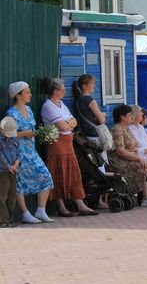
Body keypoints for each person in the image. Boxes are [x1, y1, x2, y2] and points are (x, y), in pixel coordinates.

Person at [40, 78, 98, 217]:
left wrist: (68, 123)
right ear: (55, 91)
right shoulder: (48, 105)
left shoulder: (61, 104)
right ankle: (61, 206)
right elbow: (63, 126)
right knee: (59, 172)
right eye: (62, 89)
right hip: (57, 143)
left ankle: (80, 204)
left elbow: (74, 122)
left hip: (68, 142)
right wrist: (68, 123)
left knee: (73, 173)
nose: (64, 91)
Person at [5, 81, 54, 224]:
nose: (30, 94)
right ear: (18, 95)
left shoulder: (29, 109)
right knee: (19, 182)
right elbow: (7, 134)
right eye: (27, 92)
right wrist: (24, 133)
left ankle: (40, 210)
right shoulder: (12, 113)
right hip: (18, 153)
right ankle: (25, 213)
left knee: (45, 176)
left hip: (31, 152)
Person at [108, 104, 147, 206]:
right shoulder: (117, 129)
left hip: (130, 157)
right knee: (142, 166)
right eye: (129, 115)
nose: (131, 117)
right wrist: (138, 158)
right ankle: (146, 199)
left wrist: (145, 152)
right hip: (119, 160)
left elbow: (134, 147)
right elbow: (120, 151)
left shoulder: (126, 129)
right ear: (122, 117)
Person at [72, 74, 109, 208]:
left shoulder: (78, 100)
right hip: (95, 135)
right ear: (85, 85)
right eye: (92, 84)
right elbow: (102, 120)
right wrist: (102, 114)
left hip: (86, 135)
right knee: (101, 165)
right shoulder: (89, 100)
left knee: (93, 165)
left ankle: (97, 199)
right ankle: (100, 200)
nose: (94, 86)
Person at [0, 117, 20, 228]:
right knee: (1, 195)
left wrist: (17, 162)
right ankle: (2, 220)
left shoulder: (14, 139)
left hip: (13, 170)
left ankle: (10, 218)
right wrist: (8, 166)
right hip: (2, 171)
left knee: (12, 195)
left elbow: (18, 151)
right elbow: (0, 156)